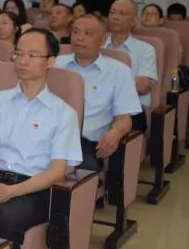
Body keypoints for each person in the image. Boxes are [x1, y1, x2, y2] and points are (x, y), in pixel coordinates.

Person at [0, 28, 82, 249]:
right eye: (18, 53)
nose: (22, 61)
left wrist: (12, 191)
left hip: (33, 187)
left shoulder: (63, 113)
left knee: (7, 219)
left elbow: (57, 172)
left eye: (32, 55)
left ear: (51, 61)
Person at [56, 14, 140, 171]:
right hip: (50, 136)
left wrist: (115, 133)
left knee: (80, 167)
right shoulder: (54, 65)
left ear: (102, 40)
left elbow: (124, 118)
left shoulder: (119, 71)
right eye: (75, 32)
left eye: (87, 33)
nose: (79, 38)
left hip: (85, 142)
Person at [105, 0, 157, 132]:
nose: (115, 17)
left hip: (130, 109)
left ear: (134, 21)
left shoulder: (145, 49)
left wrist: (102, 82)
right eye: (112, 12)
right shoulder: (97, 46)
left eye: (122, 14)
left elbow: (143, 87)